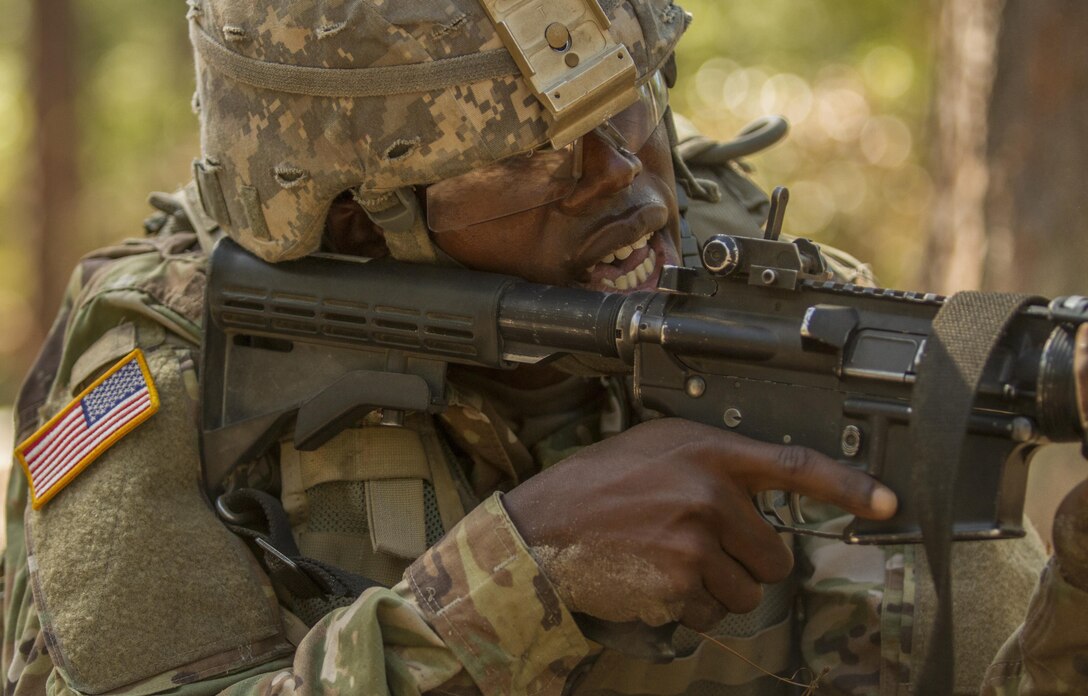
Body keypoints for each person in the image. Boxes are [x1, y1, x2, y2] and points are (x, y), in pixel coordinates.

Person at [3, 1, 1087, 694]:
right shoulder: (163, 376)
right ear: (351, 222)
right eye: (530, 163)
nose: (626, 181)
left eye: (627, 112)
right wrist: (517, 578)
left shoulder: (791, 330)